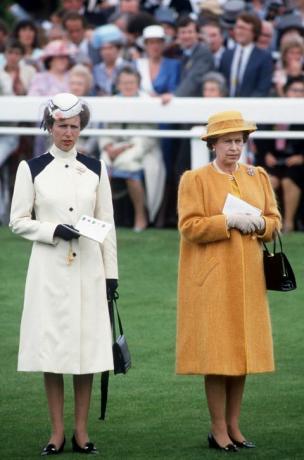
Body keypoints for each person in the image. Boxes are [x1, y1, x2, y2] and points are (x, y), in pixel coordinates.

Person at [9, 92, 118, 455]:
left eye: (74, 127)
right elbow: (18, 221)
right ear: (50, 126)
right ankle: (56, 432)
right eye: (61, 126)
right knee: (53, 351)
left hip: (89, 268)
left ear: (81, 128)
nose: (67, 133)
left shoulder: (96, 168)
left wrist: (111, 275)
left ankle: (81, 432)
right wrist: (53, 230)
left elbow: (107, 224)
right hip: (50, 271)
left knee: (87, 352)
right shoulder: (32, 167)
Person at [176, 110, 281, 452]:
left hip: (249, 279)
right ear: (212, 144)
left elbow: (274, 221)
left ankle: (234, 425)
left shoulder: (257, 175)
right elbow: (189, 227)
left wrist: (262, 226)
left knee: (242, 354)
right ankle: (218, 428)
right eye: (227, 142)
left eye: (239, 141)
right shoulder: (195, 179)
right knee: (218, 356)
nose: (234, 148)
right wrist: (227, 221)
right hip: (213, 280)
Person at [99, 66, 165, 230]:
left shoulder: (147, 102)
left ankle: (140, 216)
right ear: (118, 85)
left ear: (138, 84)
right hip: (113, 147)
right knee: (101, 167)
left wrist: (124, 148)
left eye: (132, 82)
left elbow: (149, 136)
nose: (128, 86)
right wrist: (108, 146)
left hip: (140, 147)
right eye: (124, 83)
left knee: (129, 165)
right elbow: (105, 131)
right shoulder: (111, 102)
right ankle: (103, 218)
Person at [254, 76, 304, 232]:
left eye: (302, 91)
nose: (298, 94)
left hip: (297, 162)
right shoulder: (273, 108)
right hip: (272, 160)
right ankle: (267, 224)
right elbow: (260, 135)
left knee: (289, 180)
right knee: (270, 180)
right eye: (294, 90)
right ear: (286, 92)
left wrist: (302, 157)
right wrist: (266, 154)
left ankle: (288, 224)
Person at [220, 12, 273, 97]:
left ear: (254, 32)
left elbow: (263, 88)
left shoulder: (264, 57)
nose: (238, 31)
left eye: (243, 28)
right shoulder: (226, 55)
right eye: (237, 27)